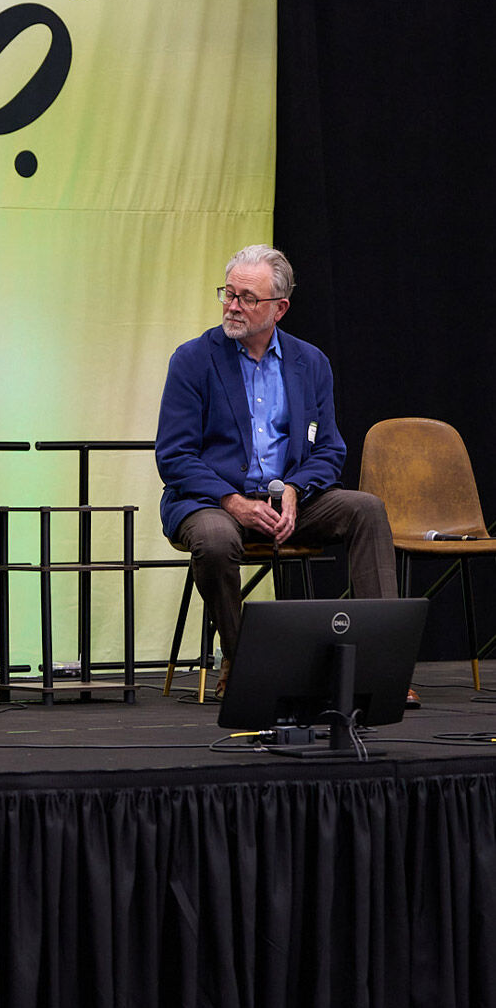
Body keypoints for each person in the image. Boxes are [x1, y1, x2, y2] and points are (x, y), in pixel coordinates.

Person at [155, 243, 405, 700]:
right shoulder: (192, 360)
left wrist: (294, 488)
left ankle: (380, 666)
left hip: (290, 501)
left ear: (279, 308)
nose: (233, 306)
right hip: (213, 501)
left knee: (366, 509)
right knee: (214, 539)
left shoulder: (311, 363)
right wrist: (233, 501)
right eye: (228, 293)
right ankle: (242, 660)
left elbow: (329, 449)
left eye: (247, 298)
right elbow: (174, 456)